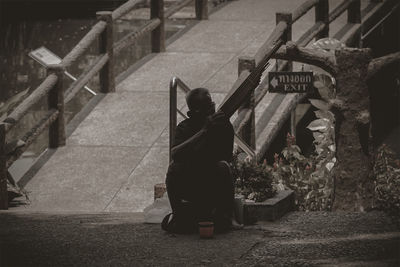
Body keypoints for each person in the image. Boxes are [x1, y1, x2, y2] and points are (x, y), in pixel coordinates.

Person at [165, 87, 239, 233]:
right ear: (195, 112)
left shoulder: (222, 125)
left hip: (211, 183)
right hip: (190, 182)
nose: (213, 107)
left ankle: (228, 217)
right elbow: (175, 153)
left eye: (212, 103)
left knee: (223, 166)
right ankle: (178, 215)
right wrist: (204, 131)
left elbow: (226, 157)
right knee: (173, 168)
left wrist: (221, 130)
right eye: (208, 105)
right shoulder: (184, 127)